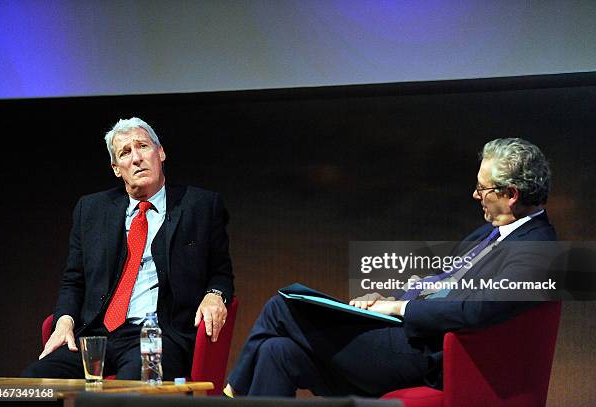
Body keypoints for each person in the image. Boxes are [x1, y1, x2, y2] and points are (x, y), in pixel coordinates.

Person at [225, 138, 556, 397]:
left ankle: (230, 393)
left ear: (511, 194)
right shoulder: (489, 232)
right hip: (404, 339)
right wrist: (389, 300)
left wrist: (400, 307)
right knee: (276, 351)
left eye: (482, 189)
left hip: (426, 355)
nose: (474, 194)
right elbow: (442, 281)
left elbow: (476, 310)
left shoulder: (538, 250)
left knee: (285, 304)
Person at [22, 117, 234, 380]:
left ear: (161, 152)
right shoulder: (91, 210)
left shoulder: (200, 206)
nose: (136, 158)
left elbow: (221, 273)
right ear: (116, 168)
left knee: (126, 392)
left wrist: (215, 294)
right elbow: (73, 280)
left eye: (143, 146)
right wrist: (64, 319)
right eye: (125, 152)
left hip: (158, 336)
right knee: (31, 383)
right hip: (96, 337)